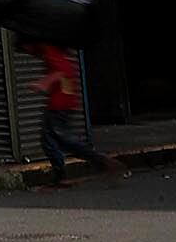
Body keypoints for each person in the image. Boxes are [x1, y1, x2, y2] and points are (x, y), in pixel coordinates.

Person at [34, 41, 123, 184]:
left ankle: (98, 160)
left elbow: (61, 71)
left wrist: (44, 83)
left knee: (61, 141)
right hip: (63, 102)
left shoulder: (49, 50)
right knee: (52, 140)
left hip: (59, 104)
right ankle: (61, 174)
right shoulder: (54, 51)